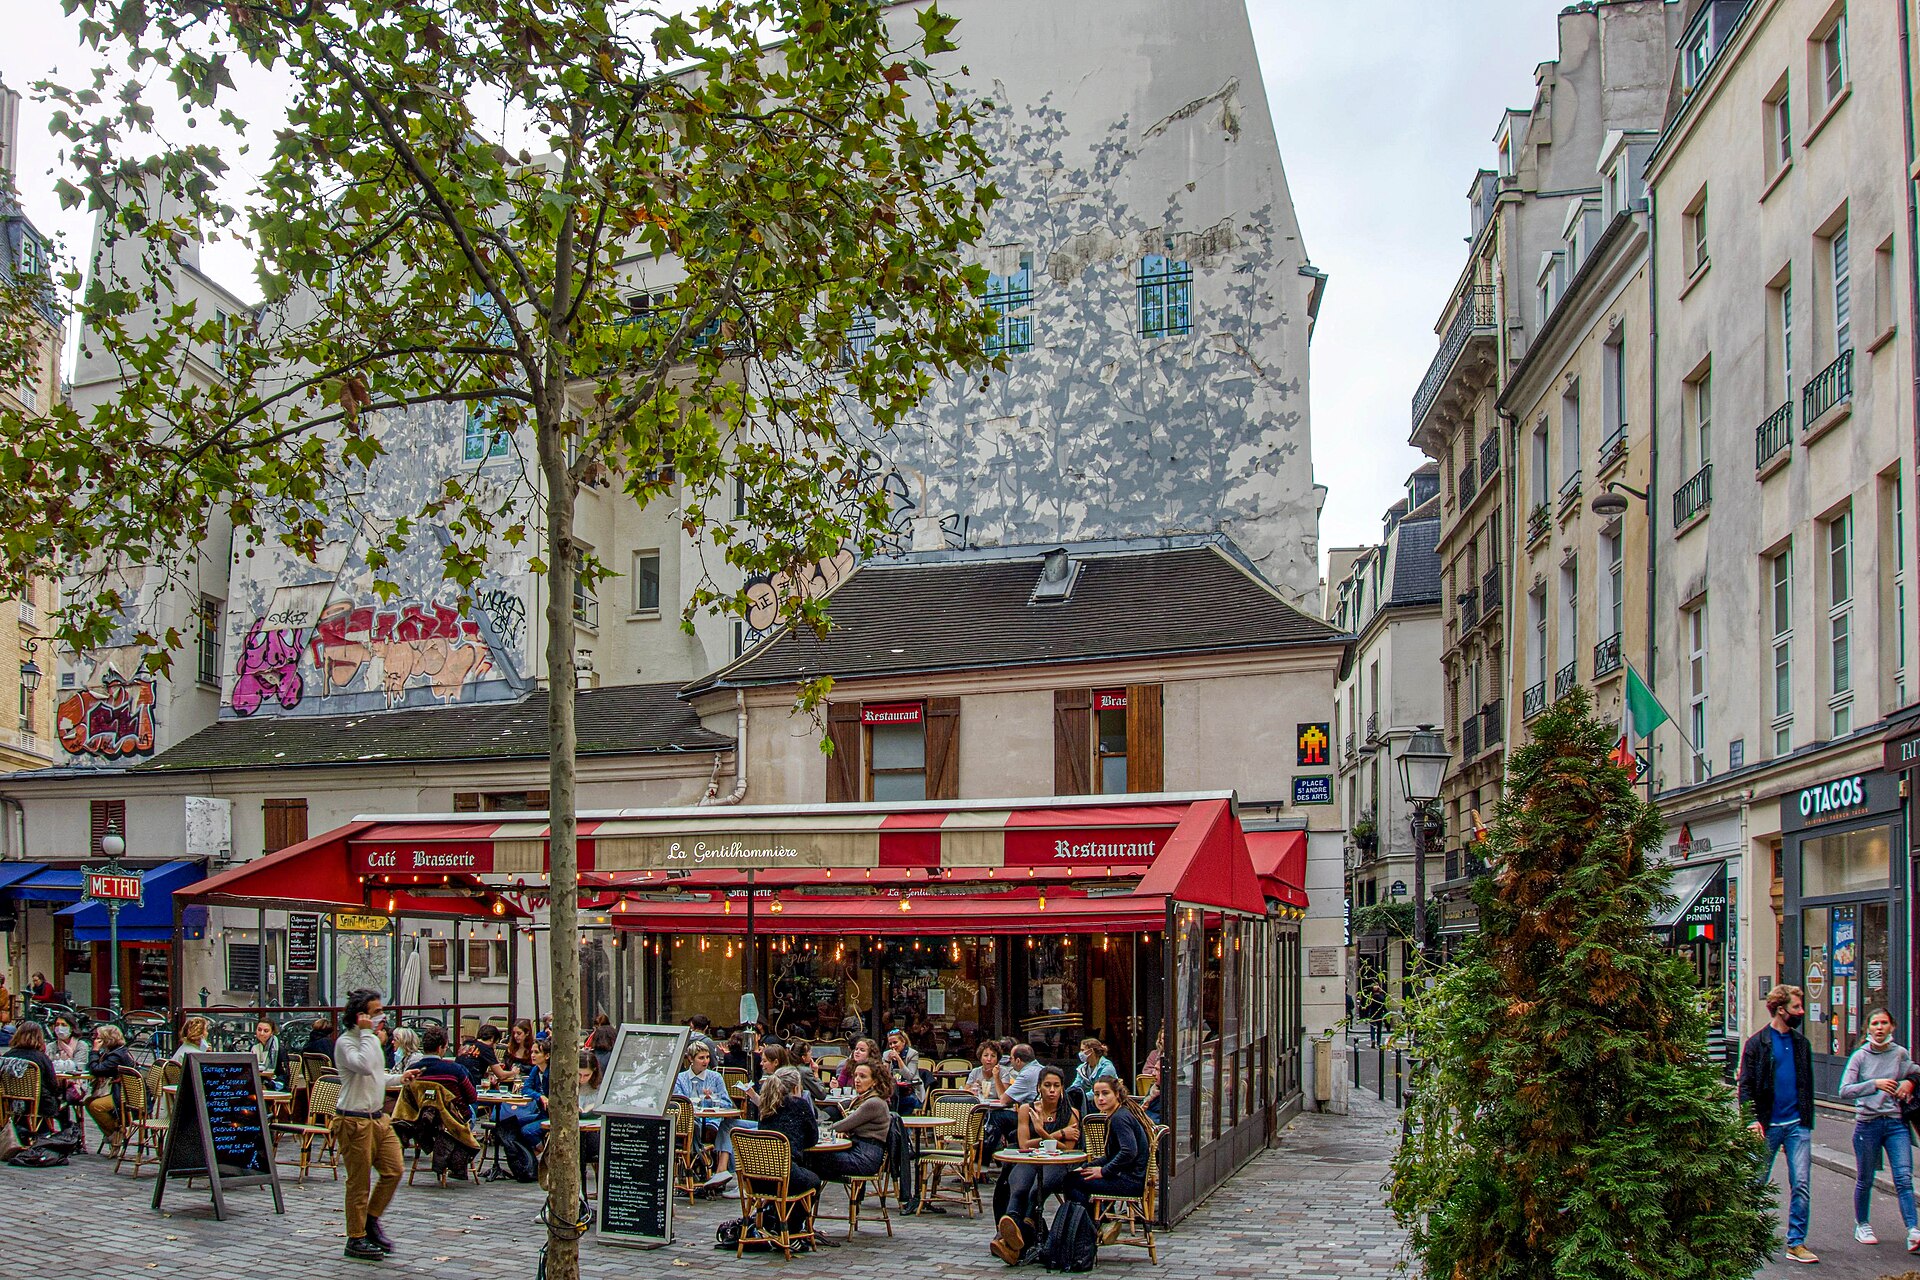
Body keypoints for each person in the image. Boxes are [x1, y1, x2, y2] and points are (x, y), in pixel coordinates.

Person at [1738, 983, 1818, 1266]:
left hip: (1797, 1124)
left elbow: (1806, 1084)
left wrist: (1806, 1119)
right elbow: (1745, 1085)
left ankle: (1796, 1242)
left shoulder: (1801, 1044)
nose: (1801, 1012)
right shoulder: (1757, 1044)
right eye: (1796, 1007)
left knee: (1802, 1183)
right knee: (1756, 1181)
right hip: (1767, 1125)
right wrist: (1750, 1120)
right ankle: (1745, 1235)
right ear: (1781, 1010)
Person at [333, 988, 405, 1262]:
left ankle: (370, 1219)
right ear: (360, 1016)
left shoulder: (371, 1040)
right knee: (359, 1181)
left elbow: (375, 1075)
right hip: (353, 1119)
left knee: (394, 1169)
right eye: (376, 1012)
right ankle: (356, 1236)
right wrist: (365, 1033)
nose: (382, 1017)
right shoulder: (346, 1042)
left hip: (378, 1117)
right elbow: (361, 1066)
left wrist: (400, 1078)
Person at [1840, 1008, 1920, 1250]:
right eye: (1875, 1023)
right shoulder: (1860, 1057)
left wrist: (1909, 1082)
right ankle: (1862, 1224)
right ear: (1868, 1028)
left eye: (1884, 1023)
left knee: (1903, 1178)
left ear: (1892, 1027)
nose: (1879, 1028)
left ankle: (1913, 1230)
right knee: (1865, 1178)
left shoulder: (1899, 1053)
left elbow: (1916, 1072)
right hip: (1868, 1123)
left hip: (1895, 1123)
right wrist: (1874, 1084)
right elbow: (1844, 1090)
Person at [992, 1065, 1082, 1264]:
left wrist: (1041, 1132)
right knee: (1019, 1188)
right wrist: (1058, 1134)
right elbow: (1024, 1144)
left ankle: (1005, 1240)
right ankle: (1011, 1239)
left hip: (1058, 1163)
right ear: (1039, 1087)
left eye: (1056, 1086)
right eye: (1047, 1085)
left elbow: (1067, 1149)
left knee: (1035, 1191)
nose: (1052, 1090)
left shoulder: (1071, 1113)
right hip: (1030, 1159)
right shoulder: (1027, 1109)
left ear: (1062, 1088)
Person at [1064, 1077, 1152, 1244]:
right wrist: (1086, 1167)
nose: (1100, 1099)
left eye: (1105, 1093)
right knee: (1074, 1177)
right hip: (1128, 1177)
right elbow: (1111, 1155)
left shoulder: (1120, 1118)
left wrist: (1104, 1171)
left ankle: (1088, 1232)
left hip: (1131, 1181)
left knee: (1071, 1182)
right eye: (1097, 1094)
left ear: (1117, 1094)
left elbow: (1129, 1152)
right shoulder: (1117, 1114)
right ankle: (1097, 1226)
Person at [752, 1068, 822, 1240]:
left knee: (798, 1174)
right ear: (796, 1087)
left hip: (756, 1179)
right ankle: (792, 1228)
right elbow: (813, 1138)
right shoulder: (800, 1105)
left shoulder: (766, 1106)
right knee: (813, 1181)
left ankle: (775, 1221)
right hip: (785, 1176)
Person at [677, 1041, 757, 1187]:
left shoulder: (715, 1077)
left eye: (707, 1057)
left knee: (718, 1128)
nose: (706, 1061)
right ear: (691, 1059)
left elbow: (727, 1104)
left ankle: (705, 1163)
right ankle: (702, 1160)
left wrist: (713, 1098)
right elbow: (680, 1103)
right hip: (689, 1123)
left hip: (712, 1122)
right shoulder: (681, 1079)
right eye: (701, 1058)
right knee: (694, 1127)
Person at [805, 1059, 891, 1188]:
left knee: (810, 1158)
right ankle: (809, 1194)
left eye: (863, 1076)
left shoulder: (874, 1103)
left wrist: (818, 1129)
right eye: (855, 1075)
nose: (857, 1080)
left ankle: (806, 1196)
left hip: (865, 1157)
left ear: (875, 1081)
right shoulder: (863, 1099)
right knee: (811, 1160)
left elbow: (843, 1125)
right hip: (857, 1150)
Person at [2, 1020, 64, 1138]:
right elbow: (53, 1085)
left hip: (11, 1103)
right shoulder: (41, 1057)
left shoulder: (7, 1056)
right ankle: (59, 1133)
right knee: (60, 1099)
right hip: (40, 1104)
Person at [83, 1023, 138, 1154]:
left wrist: (94, 1051)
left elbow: (96, 1069)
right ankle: (113, 1133)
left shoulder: (116, 1056)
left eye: (99, 1038)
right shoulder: (113, 1052)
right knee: (88, 1101)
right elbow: (93, 1068)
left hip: (126, 1095)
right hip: (117, 1090)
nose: (95, 1040)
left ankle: (115, 1132)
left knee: (96, 1106)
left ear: (107, 1039)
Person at [412, 1026, 480, 1121]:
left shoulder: (412, 1070)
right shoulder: (456, 1069)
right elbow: (472, 1098)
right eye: (446, 1046)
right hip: (454, 1121)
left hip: (420, 1119)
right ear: (440, 1048)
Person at [987, 1044, 1044, 1152]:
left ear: (1018, 1060)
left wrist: (996, 1077)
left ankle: (989, 1155)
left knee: (995, 1116)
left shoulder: (1026, 1075)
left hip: (1034, 1117)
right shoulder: (1040, 1068)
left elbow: (1004, 1100)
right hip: (1041, 1114)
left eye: (1011, 1058)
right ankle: (1011, 1144)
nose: (1010, 1061)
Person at [1067, 1037, 1117, 1113]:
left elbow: (1099, 1090)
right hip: (1088, 1103)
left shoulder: (1107, 1067)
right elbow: (1076, 1085)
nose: (1080, 1053)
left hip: (1103, 1103)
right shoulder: (1082, 1068)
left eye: (1082, 1050)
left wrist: (1082, 1098)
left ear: (1091, 1051)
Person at [882, 1028, 922, 1113]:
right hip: (891, 1092)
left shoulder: (912, 1054)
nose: (892, 1046)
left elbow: (909, 1076)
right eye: (890, 1044)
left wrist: (898, 1059)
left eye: (895, 1042)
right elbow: (883, 1077)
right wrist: (887, 1061)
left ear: (903, 1042)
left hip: (910, 1091)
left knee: (907, 1100)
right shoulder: (886, 1054)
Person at [250, 1019, 283, 1086]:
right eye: (259, 1030)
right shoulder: (253, 1047)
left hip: (275, 1083)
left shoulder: (279, 1050)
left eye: (266, 1031)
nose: (261, 1033)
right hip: (258, 1081)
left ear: (272, 1032)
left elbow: (284, 1075)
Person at [1364, 977, 1388, 1048]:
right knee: (1379, 1029)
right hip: (1380, 1014)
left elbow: (1368, 1007)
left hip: (1372, 1014)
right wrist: (1386, 1014)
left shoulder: (1371, 998)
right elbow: (1384, 1007)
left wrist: (1366, 1016)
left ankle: (1373, 1039)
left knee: (1372, 1027)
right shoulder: (1382, 998)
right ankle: (1378, 1042)